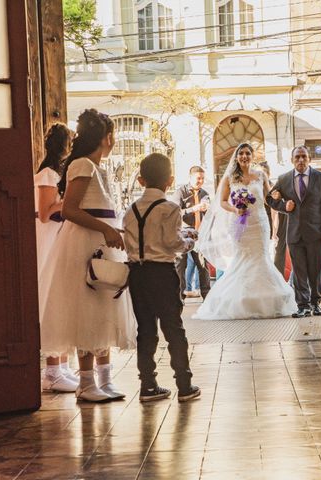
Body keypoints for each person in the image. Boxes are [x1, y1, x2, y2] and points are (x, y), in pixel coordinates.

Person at [39, 109, 136, 403]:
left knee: (103, 305)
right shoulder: (82, 165)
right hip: (85, 242)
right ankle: (86, 381)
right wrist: (104, 230)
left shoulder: (98, 168)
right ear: (107, 137)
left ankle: (105, 379)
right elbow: (70, 209)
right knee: (86, 307)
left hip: (102, 241)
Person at [123, 153, 201, 403]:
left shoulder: (130, 210)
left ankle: (148, 385)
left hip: (137, 274)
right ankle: (185, 385)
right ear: (170, 180)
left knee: (145, 330)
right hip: (162, 274)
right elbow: (173, 242)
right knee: (173, 328)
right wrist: (189, 240)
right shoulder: (170, 208)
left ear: (141, 180)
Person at [194, 143, 296, 320]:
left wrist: (279, 199)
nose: (244, 156)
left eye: (247, 153)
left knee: (261, 258)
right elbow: (223, 201)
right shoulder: (230, 178)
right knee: (242, 259)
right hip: (241, 224)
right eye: (241, 153)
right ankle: (239, 300)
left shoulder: (260, 175)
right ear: (236, 156)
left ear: (252, 156)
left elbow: (268, 197)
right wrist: (236, 209)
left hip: (260, 223)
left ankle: (266, 300)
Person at [35, 123, 79, 393]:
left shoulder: (59, 174)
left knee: (63, 298)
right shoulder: (47, 174)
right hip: (48, 238)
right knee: (52, 296)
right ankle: (51, 368)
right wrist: (69, 201)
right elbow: (44, 212)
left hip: (60, 236)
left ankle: (61, 365)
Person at [266, 146, 321, 318]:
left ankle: (315, 303)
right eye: (297, 157)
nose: (300, 160)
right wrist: (284, 206)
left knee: (316, 270)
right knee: (299, 272)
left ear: (309, 159)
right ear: (292, 160)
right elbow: (269, 198)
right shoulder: (283, 179)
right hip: (295, 234)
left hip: (317, 234)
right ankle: (303, 306)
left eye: (304, 156)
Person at [173, 166, 211, 300]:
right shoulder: (180, 192)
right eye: (198, 178)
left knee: (203, 266)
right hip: (183, 234)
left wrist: (207, 210)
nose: (200, 181)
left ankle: (207, 297)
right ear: (190, 177)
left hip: (199, 235)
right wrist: (193, 209)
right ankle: (179, 297)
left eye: (202, 178)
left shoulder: (204, 194)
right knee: (180, 267)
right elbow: (175, 213)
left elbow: (209, 216)